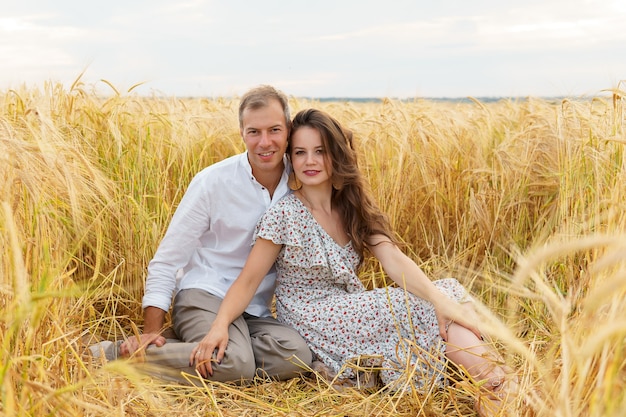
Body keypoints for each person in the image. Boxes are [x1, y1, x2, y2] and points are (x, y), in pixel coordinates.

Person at [194, 108, 519, 415]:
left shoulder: (351, 206)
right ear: (290, 158)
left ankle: (491, 386)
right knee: (425, 303)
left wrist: (441, 301)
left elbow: (393, 259)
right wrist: (219, 325)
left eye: (320, 151)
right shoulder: (284, 214)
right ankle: (497, 381)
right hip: (312, 318)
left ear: (336, 154)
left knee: (444, 294)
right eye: (300, 152)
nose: (310, 161)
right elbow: (248, 280)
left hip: (348, 307)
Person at [93, 85, 313, 384]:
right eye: (253, 132)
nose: (265, 142)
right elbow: (167, 260)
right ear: (241, 133)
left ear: (288, 129)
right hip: (205, 294)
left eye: (274, 130)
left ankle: (195, 349)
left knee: (296, 356)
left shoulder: (302, 180)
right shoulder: (212, 182)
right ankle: (108, 356)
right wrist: (151, 332)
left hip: (254, 309)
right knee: (235, 364)